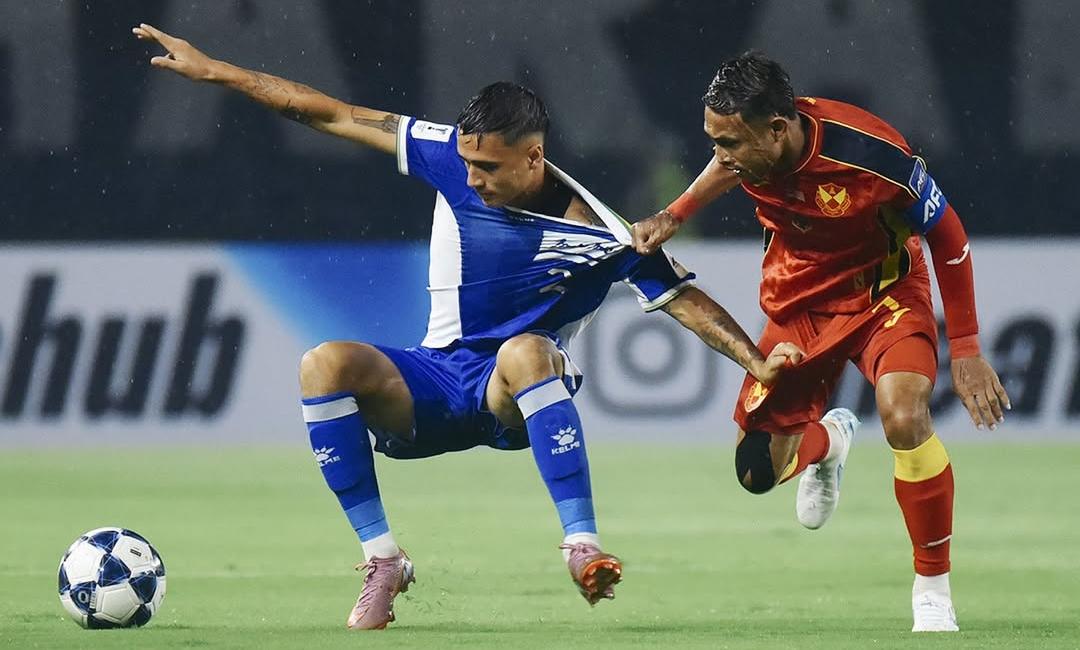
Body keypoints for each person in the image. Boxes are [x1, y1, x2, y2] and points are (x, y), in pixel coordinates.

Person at [133, 26, 799, 630]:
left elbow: (684, 301)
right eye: (469, 164)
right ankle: (383, 561)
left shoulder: (597, 231)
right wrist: (217, 70)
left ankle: (582, 546)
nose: (472, 179)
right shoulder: (446, 155)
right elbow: (324, 111)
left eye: (489, 169)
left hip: (510, 395)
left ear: (534, 157)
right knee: (323, 364)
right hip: (432, 380)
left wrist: (758, 364)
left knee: (530, 350)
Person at [632, 52, 1011, 632]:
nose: (721, 158)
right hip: (798, 305)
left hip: (883, 295)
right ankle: (830, 441)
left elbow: (950, 238)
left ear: (777, 129)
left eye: (730, 143)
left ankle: (932, 589)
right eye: (714, 142)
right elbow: (726, 167)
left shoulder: (872, 155)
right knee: (757, 473)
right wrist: (674, 213)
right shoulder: (750, 151)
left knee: (904, 417)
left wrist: (965, 347)